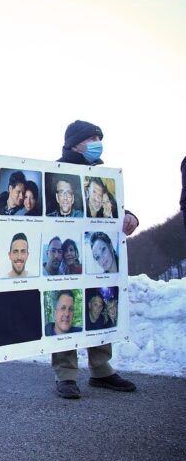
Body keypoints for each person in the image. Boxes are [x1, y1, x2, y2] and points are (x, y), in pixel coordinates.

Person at [51, 119, 138, 399]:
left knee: (100, 300)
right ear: (75, 143)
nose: (97, 144)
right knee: (66, 304)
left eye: (99, 139)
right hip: (67, 258)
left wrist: (130, 216)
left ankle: (101, 370)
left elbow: (115, 209)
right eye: (91, 139)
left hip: (93, 257)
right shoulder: (54, 172)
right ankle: (66, 375)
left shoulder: (102, 176)